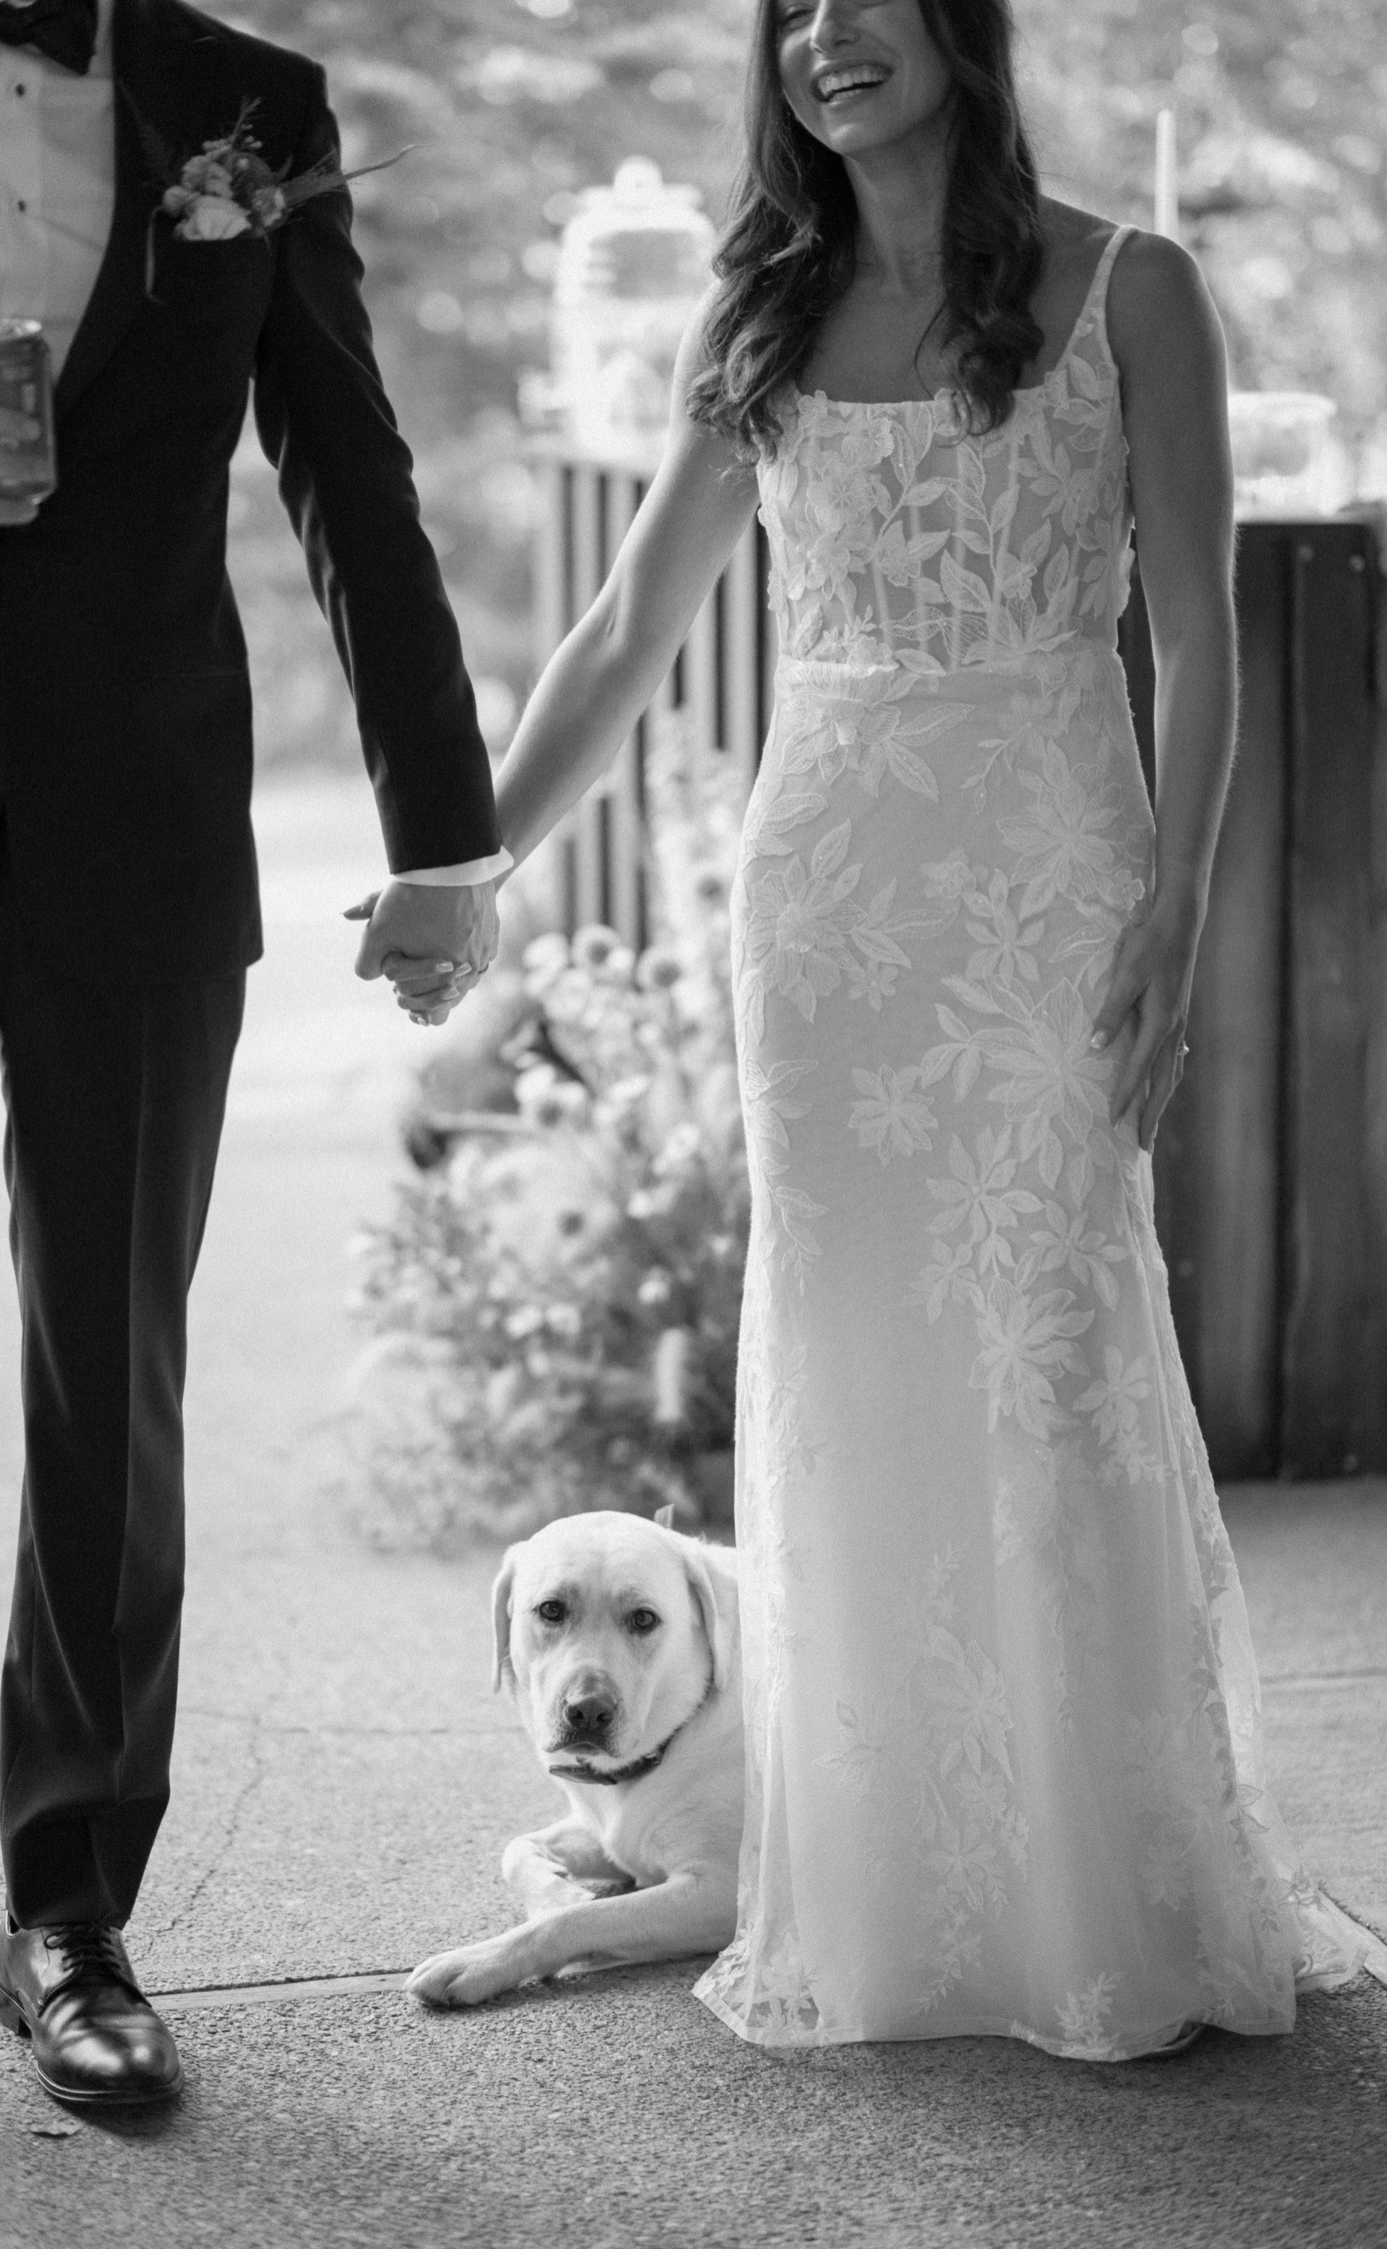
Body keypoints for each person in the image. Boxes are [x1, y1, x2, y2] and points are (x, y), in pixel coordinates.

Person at [431, 0, 1369, 2057]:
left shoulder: (1138, 287)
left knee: (1047, 1351)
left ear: (962, 24)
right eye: (793, 14)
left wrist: (1182, 911)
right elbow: (623, 632)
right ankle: (892, 1881)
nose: (829, 39)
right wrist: (470, 863)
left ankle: (1095, 1879)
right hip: (833, 900)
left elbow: (1195, 627)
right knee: (851, 1372)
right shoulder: (755, 313)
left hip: (1051, 883)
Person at [0, 0, 505, 2158]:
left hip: (142, 840)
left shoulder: (253, 107)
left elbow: (345, 455)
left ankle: (70, 1926)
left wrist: (441, 827)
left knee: (109, 1407)